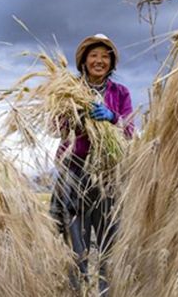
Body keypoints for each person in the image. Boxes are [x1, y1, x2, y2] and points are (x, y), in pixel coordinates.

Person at [49, 33, 133, 296]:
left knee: (110, 242)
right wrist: (74, 116)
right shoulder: (68, 91)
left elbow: (129, 129)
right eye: (94, 55)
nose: (100, 60)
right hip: (74, 171)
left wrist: (112, 118)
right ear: (83, 61)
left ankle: (106, 292)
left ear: (112, 62)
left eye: (105, 56)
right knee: (77, 246)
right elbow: (54, 128)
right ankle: (78, 291)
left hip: (107, 175)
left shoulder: (120, 93)